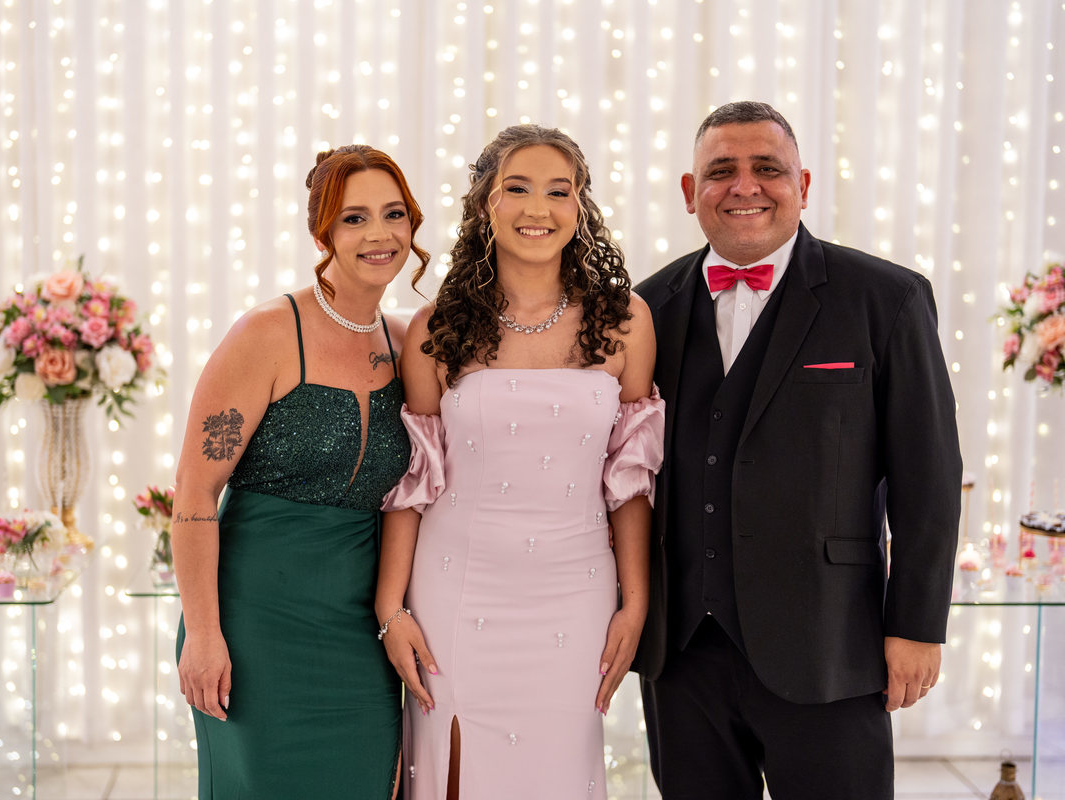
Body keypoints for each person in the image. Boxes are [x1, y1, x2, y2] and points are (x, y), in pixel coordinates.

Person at [633, 101, 962, 799]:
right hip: (682, 655)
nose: (744, 186)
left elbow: (928, 480)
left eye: (767, 168)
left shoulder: (887, 298)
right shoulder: (645, 308)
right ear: (690, 191)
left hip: (830, 646)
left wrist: (916, 626)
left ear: (803, 185)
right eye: (721, 171)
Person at [376, 124, 664, 800]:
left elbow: (630, 481)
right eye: (518, 188)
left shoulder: (626, 320)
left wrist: (636, 601)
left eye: (559, 191)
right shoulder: (437, 327)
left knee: (558, 770)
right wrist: (391, 606)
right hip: (457, 588)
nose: (540, 208)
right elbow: (415, 483)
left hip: (575, 591)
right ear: (486, 205)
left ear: (580, 205)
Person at [171, 144, 430, 798]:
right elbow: (195, 493)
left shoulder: (407, 345)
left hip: (359, 631)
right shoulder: (266, 334)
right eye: (354, 218)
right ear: (323, 232)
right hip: (254, 623)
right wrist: (203, 633)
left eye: (394, 214)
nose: (379, 234)